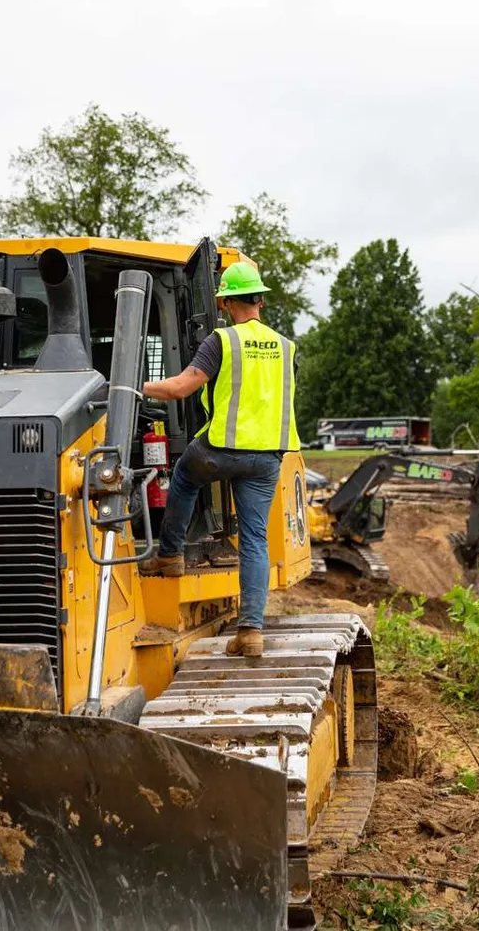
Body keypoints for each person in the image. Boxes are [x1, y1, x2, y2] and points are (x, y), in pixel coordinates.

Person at [138, 260, 300, 658]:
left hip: (220, 450)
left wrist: (132, 387)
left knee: (184, 476)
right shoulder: (286, 346)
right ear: (260, 300)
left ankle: (171, 554)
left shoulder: (222, 340)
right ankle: (251, 632)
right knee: (255, 539)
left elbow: (180, 389)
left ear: (225, 303)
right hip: (266, 458)